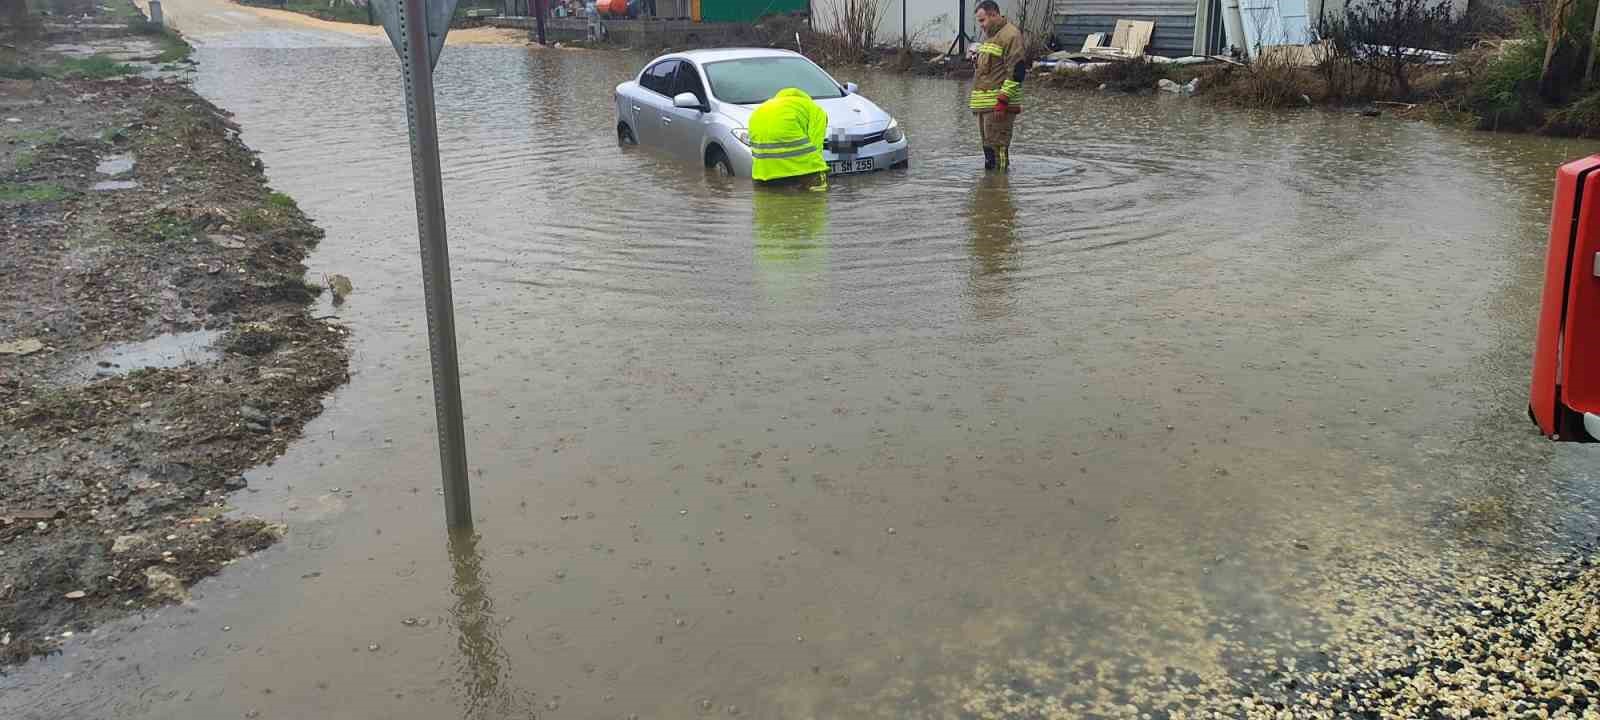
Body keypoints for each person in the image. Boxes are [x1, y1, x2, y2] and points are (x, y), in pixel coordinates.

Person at [968, 0, 1027, 172]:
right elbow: (989, 71)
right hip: (985, 107)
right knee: (989, 152)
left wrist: (1002, 101)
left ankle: (1000, 191)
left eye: (982, 20)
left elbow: (1017, 72)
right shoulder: (990, 37)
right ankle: (989, 192)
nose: (981, 26)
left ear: (994, 15)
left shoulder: (1010, 35)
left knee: (998, 151)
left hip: (998, 107)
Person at [748, 88, 830, 189]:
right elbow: (816, 143)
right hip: (799, 169)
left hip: (763, 172)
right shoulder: (815, 109)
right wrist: (819, 169)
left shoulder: (762, 107)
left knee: (768, 201)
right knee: (817, 193)